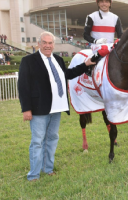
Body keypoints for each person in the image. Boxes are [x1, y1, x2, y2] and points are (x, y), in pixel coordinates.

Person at [18, 31, 95, 181]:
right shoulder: (28, 61)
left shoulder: (58, 60)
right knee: (37, 141)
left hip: (57, 107)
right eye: (44, 43)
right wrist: (26, 108)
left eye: (50, 43)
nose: (47, 45)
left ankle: (48, 169)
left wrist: (85, 64)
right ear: (39, 44)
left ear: (54, 45)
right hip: (39, 108)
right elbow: (23, 86)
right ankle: (33, 175)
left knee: (52, 138)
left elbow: (68, 74)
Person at [83, 0, 123, 76]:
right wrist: (96, 41)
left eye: (106, 1)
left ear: (110, 4)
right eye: (101, 1)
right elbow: (85, 35)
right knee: (104, 49)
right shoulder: (91, 16)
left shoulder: (115, 17)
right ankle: (89, 68)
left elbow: (121, 35)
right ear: (98, 3)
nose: (104, 4)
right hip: (97, 46)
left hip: (111, 46)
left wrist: (119, 42)